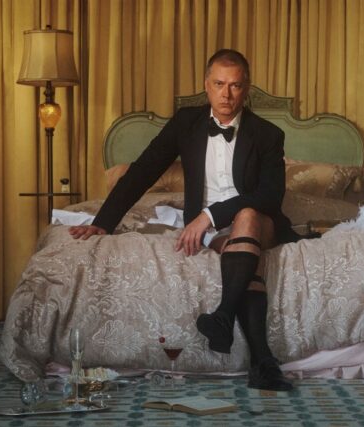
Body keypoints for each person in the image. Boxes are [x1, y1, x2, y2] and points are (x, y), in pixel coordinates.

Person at [69, 49, 302, 391]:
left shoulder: (268, 134)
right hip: (216, 232)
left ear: (247, 88)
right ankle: (262, 362)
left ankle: (223, 315)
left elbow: (269, 196)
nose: (226, 94)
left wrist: (210, 215)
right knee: (245, 261)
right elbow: (143, 170)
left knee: (248, 215)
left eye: (235, 86)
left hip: (255, 219)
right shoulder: (186, 123)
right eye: (219, 84)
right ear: (206, 85)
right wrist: (103, 222)